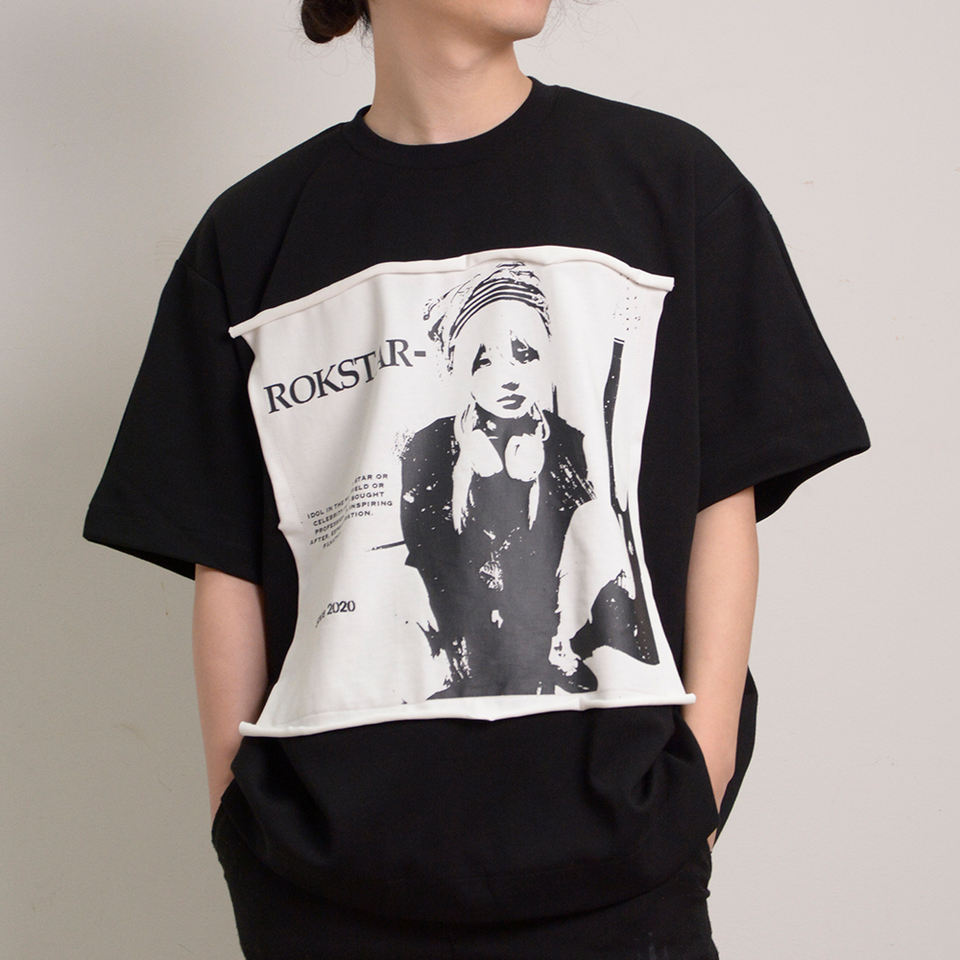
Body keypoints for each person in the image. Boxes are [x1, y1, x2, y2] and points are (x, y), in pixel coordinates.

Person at [82, 1, 872, 958]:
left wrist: (693, 794)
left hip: (618, 879)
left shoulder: (668, 184)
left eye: (525, 354)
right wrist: (240, 825)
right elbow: (228, 561)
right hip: (327, 892)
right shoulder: (253, 236)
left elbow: (721, 505)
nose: (506, 374)